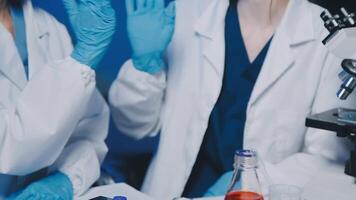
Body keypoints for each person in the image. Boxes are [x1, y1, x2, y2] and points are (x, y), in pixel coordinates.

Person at [109, 0, 356, 199]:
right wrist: (145, 64)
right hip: (171, 191)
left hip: (255, 195)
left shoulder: (328, 35)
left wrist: (248, 180)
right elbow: (134, 126)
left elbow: (327, 158)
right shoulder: (187, 11)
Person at [0, 0, 115, 199]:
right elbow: (9, 146)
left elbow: (87, 130)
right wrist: (80, 60)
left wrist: (67, 178)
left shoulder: (49, 26)